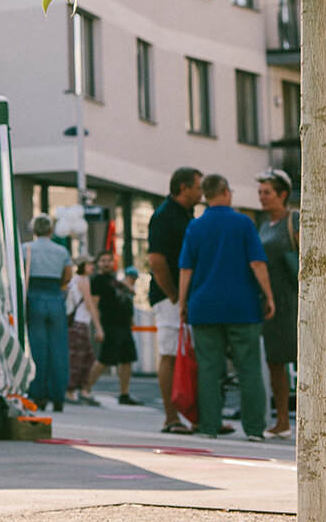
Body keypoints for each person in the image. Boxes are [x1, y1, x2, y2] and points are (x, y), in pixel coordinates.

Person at [177, 173, 273, 441]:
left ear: (206, 195)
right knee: (249, 369)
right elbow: (257, 263)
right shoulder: (244, 223)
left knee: (208, 369)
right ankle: (254, 429)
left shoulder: (195, 227)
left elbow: (186, 269)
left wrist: (183, 302)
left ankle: (209, 426)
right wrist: (269, 295)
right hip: (242, 307)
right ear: (225, 192)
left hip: (204, 306)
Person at [147, 166, 203, 436]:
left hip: (184, 296)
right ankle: (170, 418)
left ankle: (195, 417)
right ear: (184, 188)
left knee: (188, 355)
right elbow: (156, 261)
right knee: (170, 354)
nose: (201, 193)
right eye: (198, 187)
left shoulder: (185, 214)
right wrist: (173, 296)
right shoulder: (164, 216)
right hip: (169, 297)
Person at [255, 169, 298, 438]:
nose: (262, 197)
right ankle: (282, 420)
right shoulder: (263, 226)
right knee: (275, 361)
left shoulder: (294, 220)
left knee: (301, 358)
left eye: (267, 192)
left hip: (292, 299)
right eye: (260, 192)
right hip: (271, 302)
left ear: (282, 194)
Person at [22, 213, 75, 411]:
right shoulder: (61, 251)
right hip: (55, 297)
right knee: (58, 348)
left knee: (37, 348)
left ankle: (38, 394)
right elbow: (68, 277)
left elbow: (21, 275)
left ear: (33, 229)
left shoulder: (25, 248)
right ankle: (58, 395)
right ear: (51, 230)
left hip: (33, 297)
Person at [88, 251, 140, 405]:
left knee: (127, 359)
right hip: (109, 325)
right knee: (104, 360)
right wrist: (98, 327)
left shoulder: (115, 280)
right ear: (98, 263)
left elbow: (127, 296)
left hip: (124, 325)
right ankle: (85, 388)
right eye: (103, 260)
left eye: (109, 260)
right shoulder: (96, 281)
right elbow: (94, 305)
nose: (106, 263)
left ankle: (124, 394)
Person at [65, 251, 102, 404]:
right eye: (89, 264)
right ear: (82, 266)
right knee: (79, 358)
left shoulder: (74, 281)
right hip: (80, 324)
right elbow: (89, 304)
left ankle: (82, 389)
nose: (92, 266)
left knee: (86, 357)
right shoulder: (83, 281)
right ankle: (71, 390)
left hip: (74, 324)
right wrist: (99, 327)